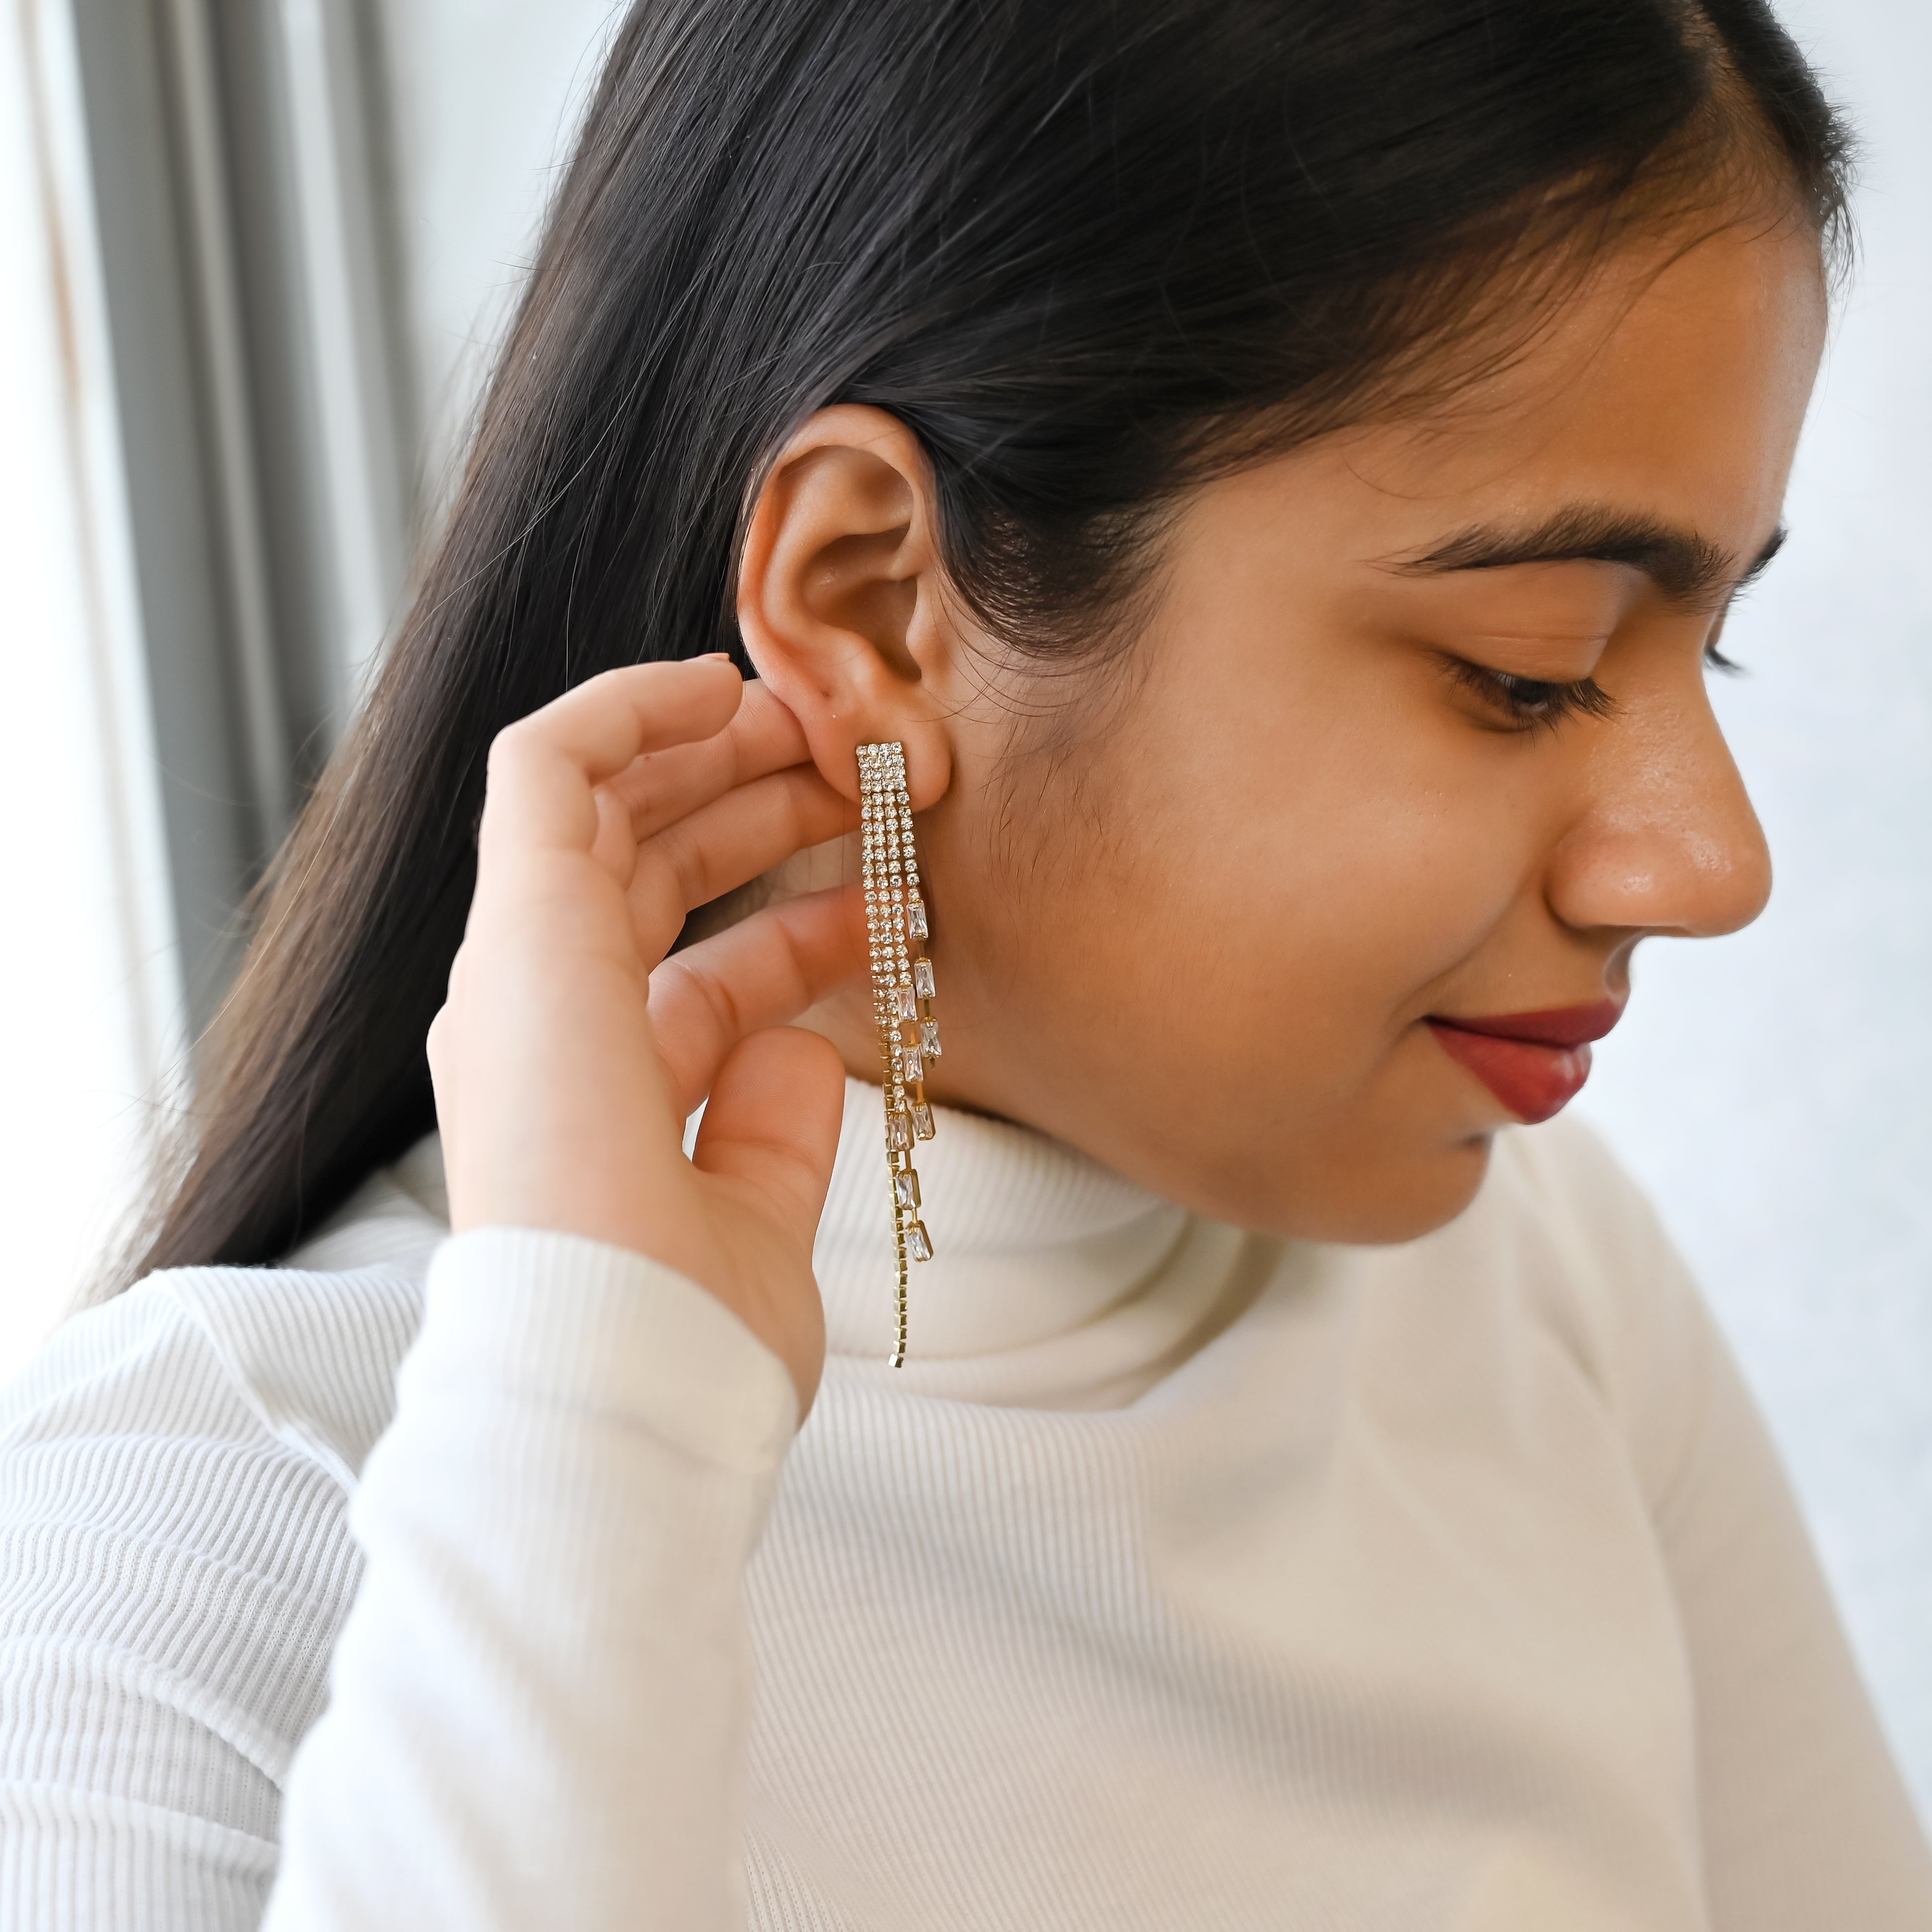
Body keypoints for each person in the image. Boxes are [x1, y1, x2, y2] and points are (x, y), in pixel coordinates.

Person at [2, 0, 1928, 1925]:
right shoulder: (198, 1535)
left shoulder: (1536, 1279)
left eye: (1709, 646)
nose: (1714, 864)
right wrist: (594, 1424)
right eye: (1528, 669)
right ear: (872, 604)